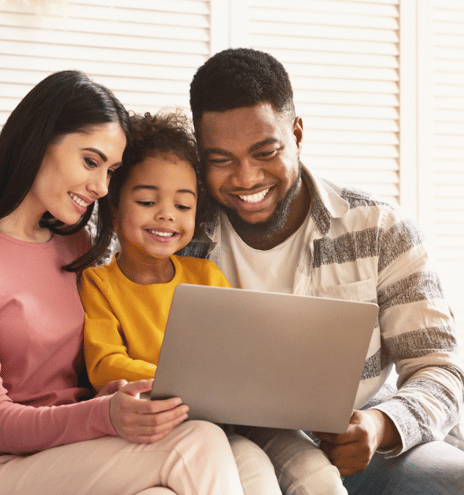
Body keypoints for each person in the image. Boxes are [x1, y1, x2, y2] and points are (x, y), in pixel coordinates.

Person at [182, 47, 464, 495]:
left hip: (358, 441)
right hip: (229, 448)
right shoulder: (176, 236)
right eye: (221, 159)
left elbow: (439, 368)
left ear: (297, 134)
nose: (246, 178)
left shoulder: (379, 229)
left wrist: (379, 425)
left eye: (265, 151)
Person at [0, 70, 245, 495]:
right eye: (90, 161)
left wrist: (130, 397)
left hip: (73, 453)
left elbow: (77, 377)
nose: (101, 187)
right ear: (38, 142)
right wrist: (104, 416)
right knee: (199, 444)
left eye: (111, 171)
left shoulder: (72, 243)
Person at [79, 110, 345, 495]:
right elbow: (104, 365)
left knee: (318, 476)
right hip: (179, 427)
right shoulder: (99, 283)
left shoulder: (205, 276)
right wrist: (184, 381)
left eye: (183, 206)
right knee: (254, 476)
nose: (167, 214)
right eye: (147, 201)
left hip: (239, 416)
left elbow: (244, 349)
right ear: (115, 211)